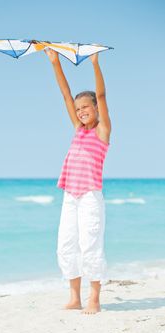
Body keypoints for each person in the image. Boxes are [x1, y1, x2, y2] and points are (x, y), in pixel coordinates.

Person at [45, 48, 112, 314]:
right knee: (66, 246)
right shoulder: (78, 129)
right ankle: (75, 296)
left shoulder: (102, 131)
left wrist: (95, 63)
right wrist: (55, 62)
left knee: (90, 246)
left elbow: (103, 95)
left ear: (96, 108)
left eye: (86, 107)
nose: (81, 111)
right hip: (70, 195)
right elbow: (64, 93)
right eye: (78, 108)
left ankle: (94, 298)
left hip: (90, 196)